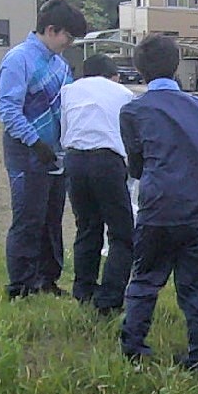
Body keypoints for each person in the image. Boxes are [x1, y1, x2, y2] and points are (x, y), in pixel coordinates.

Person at [118, 34, 198, 377]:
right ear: (177, 64)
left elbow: (135, 165)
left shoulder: (133, 111)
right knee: (196, 289)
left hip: (159, 207)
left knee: (146, 280)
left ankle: (132, 351)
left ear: (139, 70)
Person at [0, 0, 87, 299]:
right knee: (27, 219)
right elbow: (7, 108)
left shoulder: (60, 65)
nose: (69, 44)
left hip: (57, 154)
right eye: (68, 37)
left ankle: (47, 279)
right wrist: (35, 142)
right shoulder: (18, 59)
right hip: (26, 154)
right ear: (51, 29)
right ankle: (20, 285)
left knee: (52, 219)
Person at [59, 53, 136, 315]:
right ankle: (110, 299)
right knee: (121, 233)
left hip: (75, 159)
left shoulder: (69, 90)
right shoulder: (124, 93)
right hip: (107, 160)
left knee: (87, 227)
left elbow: (64, 131)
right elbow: (128, 135)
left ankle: (83, 292)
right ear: (113, 75)